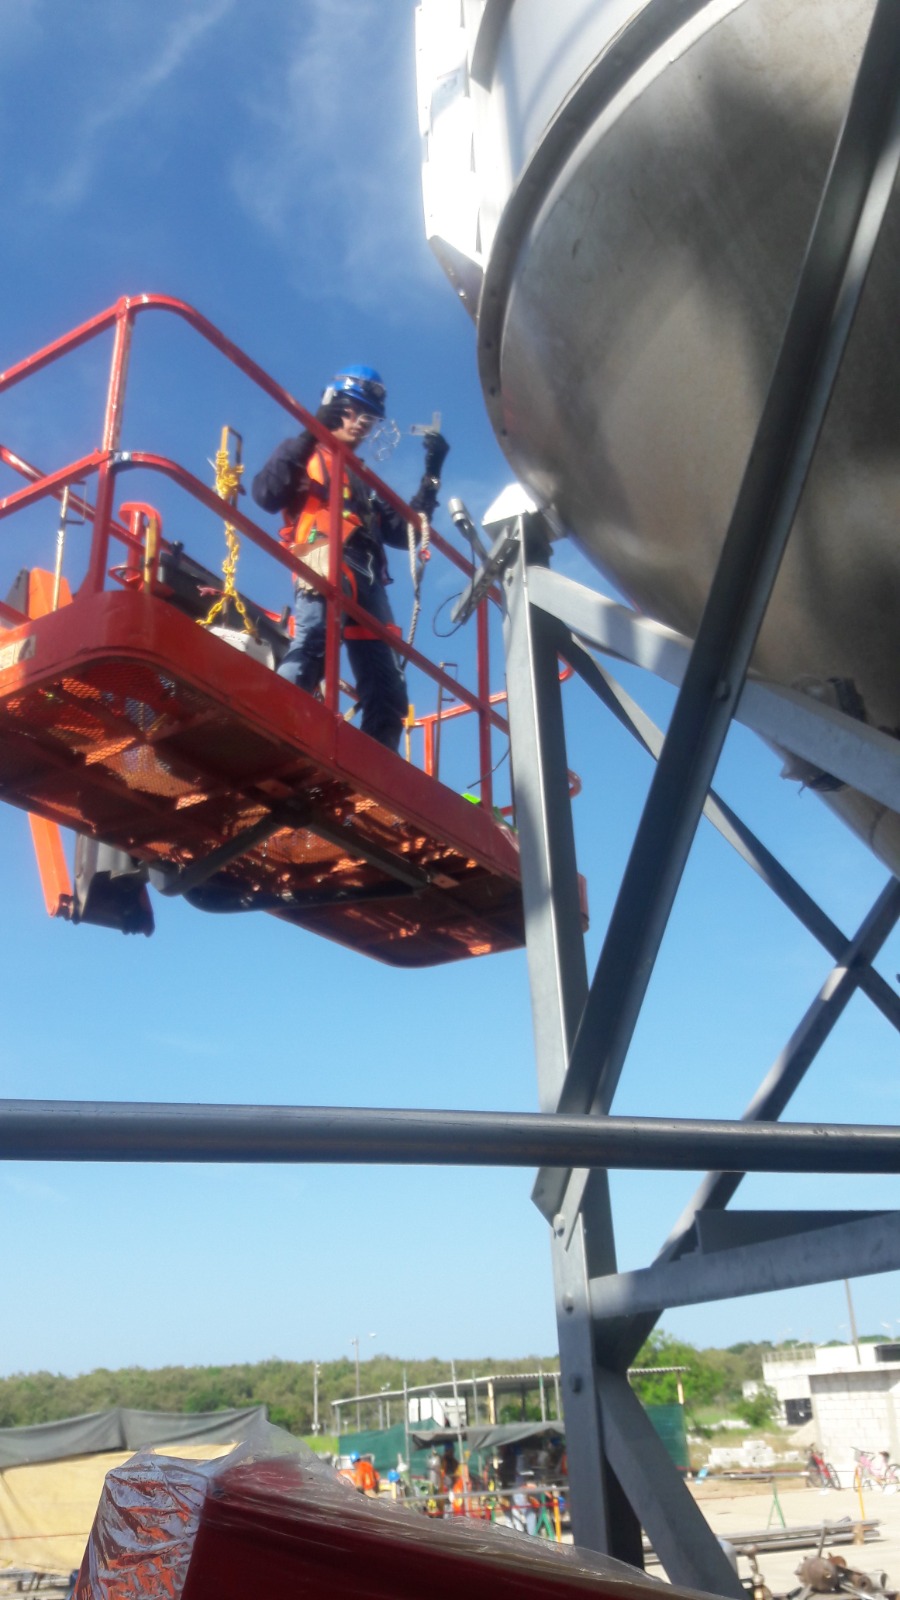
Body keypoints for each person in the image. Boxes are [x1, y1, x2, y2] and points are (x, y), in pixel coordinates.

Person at [252, 366, 449, 752]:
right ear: (332, 406)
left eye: (369, 418)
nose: (360, 423)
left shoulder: (362, 480)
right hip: (323, 555)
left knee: (388, 690)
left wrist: (432, 474)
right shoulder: (304, 454)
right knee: (314, 644)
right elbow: (266, 494)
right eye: (351, 411)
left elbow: (405, 532)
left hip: (368, 578)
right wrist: (312, 431)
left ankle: (374, 769)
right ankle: (268, 735)